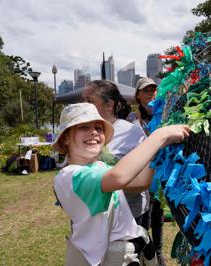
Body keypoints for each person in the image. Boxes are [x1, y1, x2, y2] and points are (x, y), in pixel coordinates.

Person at [53, 102, 190, 265]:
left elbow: (141, 182)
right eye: (83, 127)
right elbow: (119, 177)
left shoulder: (100, 167)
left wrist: (157, 153)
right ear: (66, 138)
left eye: (99, 128)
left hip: (128, 255)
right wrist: (159, 136)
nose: (94, 133)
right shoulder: (69, 177)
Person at [82, 80, 151, 230]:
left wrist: (94, 184)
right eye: (83, 100)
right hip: (91, 216)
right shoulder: (80, 133)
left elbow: (143, 182)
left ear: (109, 105)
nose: (84, 105)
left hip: (129, 216)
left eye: (90, 101)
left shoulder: (131, 132)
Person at [127, 77, 166, 265]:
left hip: (160, 171)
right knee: (144, 213)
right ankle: (142, 250)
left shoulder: (164, 114)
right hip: (141, 172)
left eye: (153, 90)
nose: (151, 94)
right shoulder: (132, 120)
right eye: (146, 91)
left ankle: (157, 252)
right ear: (138, 96)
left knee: (158, 213)